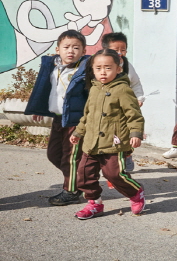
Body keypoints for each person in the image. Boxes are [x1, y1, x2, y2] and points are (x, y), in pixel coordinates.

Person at [70, 49, 145, 219]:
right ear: (93, 70)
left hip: (113, 142)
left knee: (114, 174)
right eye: (98, 68)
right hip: (91, 142)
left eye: (108, 68)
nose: (102, 72)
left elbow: (134, 114)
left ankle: (135, 192)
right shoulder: (94, 88)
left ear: (118, 69)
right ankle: (94, 204)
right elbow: (87, 114)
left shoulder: (123, 89)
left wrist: (136, 133)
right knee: (83, 175)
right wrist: (79, 132)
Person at [24, 29, 90, 206]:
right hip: (58, 119)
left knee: (70, 157)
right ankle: (82, 178)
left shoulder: (85, 70)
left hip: (76, 121)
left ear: (84, 51)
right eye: (66, 47)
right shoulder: (53, 67)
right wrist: (40, 107)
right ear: (57, 49)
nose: (71, 51)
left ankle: (71, 191)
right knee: (54, 154)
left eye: (76, 47)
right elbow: (45, 89)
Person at [101, 32, 143, 174]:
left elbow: (136, 83)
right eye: (115, 50)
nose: (120, 53)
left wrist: (139, 98)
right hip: (105, 107)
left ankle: (127, 155)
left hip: (124, 109)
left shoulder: (127, 66)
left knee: (123, 134)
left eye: (123, 49)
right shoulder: (99, 64)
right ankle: (108, 159)